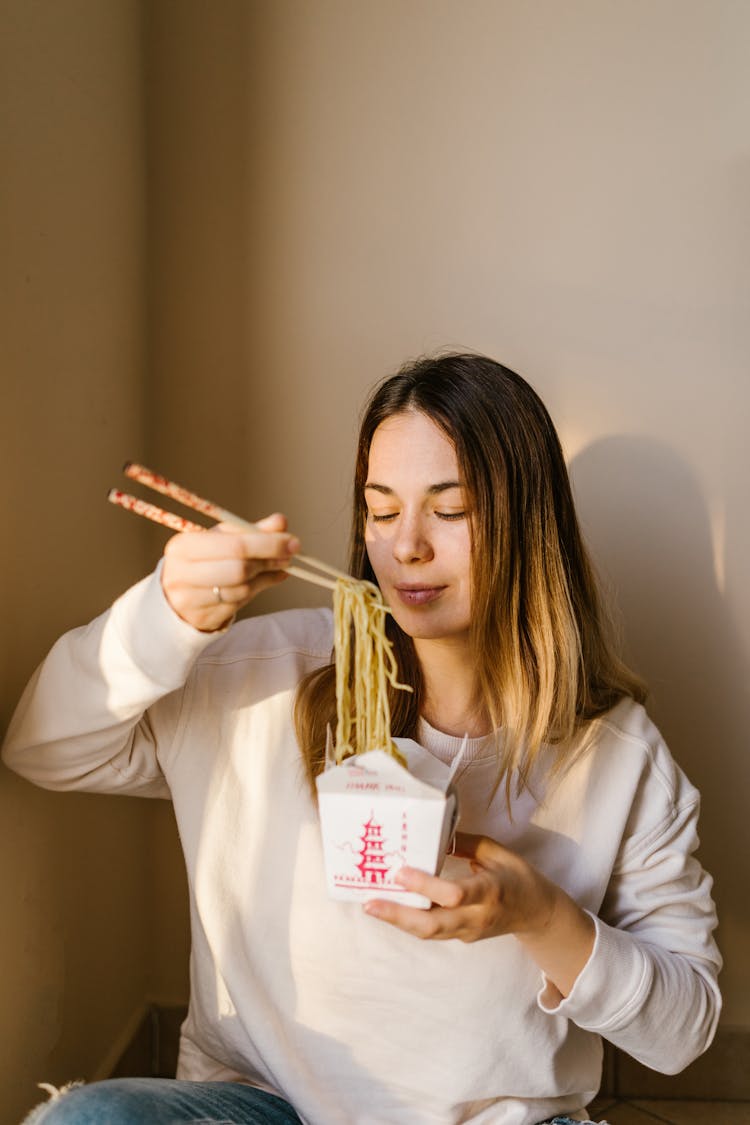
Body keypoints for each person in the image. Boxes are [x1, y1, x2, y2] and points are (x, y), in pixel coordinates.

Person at [3, 353, 721, 1125]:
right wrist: (165, 612)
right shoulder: (264, 674)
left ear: (528, 521)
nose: (406, 546)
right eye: (381, 509)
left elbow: (684, 1030)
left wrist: (538, 913)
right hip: (267, 1108)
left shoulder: (617, 753)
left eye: (450, 509)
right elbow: (42, 745)